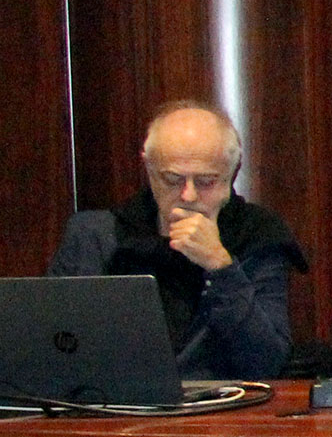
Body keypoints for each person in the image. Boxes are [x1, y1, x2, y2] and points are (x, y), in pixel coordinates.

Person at [48, 100, 308, 380]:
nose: (189, 196)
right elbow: (52, 348)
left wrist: (221, 267)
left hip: (224, 404)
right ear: (149, 169)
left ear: (232, 173)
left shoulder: (258, 236)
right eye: (172, 180)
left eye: (206, 181)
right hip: (113, 401)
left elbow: (267, 362)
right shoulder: (95, 237)